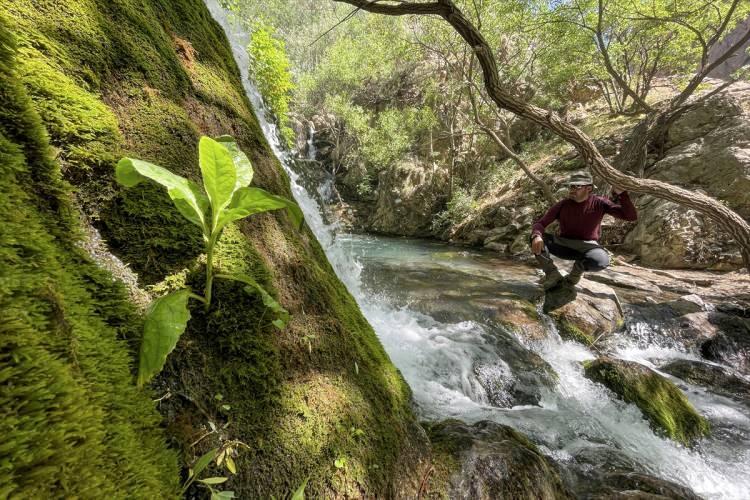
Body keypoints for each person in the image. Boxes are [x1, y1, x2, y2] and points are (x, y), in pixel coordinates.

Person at [530, 170, 637, 290]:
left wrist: (622, 193)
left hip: (588, 247)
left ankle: (572, 278)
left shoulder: (599, 203)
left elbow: (631, 216)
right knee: (534, 237)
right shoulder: (562, 205)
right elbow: (540, 223)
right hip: (564, 245)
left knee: (601, 261)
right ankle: (552, 274)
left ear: (589, 188)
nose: (572, 189)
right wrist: (537, 235)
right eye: (571, 186)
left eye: (577, 186)